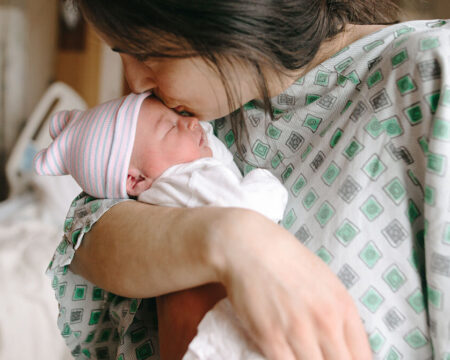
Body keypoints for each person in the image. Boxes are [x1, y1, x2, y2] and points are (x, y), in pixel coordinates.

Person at [48, 0, 450, 359]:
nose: (136, 84)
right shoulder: (197, 114)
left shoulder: (429, 78)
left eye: (146, 52)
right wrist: (234, 239)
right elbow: (87, 235)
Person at [36, 92, 288, 358]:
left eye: (179, 115)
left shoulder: (156, 193)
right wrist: (268, 182)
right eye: (169, 126)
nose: (192, 122)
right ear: (135, 180)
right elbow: (250, 208)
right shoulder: (190, 179)